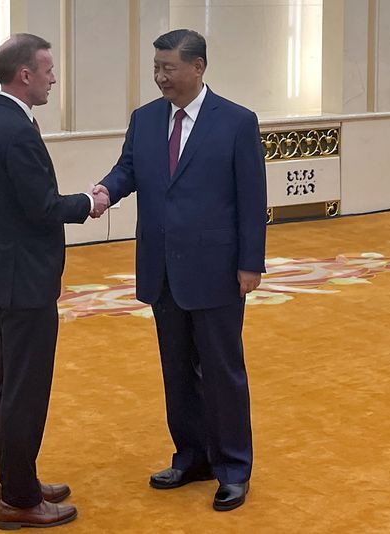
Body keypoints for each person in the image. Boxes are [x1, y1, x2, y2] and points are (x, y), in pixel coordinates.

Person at [93, 29, 267, 511]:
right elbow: (127, 169)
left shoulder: (236, 121)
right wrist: (103, 192)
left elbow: (252, 199)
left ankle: (233, 467)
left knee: (222, 371)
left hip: (217, 270)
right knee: (176, 371)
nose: (161, 77)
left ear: (199, 67)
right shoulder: (145, 119)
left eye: (169, 68)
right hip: (162, 269)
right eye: (156, 68)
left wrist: (250, 263)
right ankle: (191, 457)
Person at [0, 33, 109, 529]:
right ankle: (21, 501)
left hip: (1, 273)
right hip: (25, 282)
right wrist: (89, 203)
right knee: (25, 391)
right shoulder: (18, 131)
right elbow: (43, 207)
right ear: (24, 74)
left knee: (7, 385)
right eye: (48, 69)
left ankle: (14, 479)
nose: (53, 77)